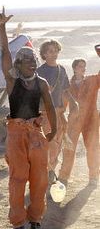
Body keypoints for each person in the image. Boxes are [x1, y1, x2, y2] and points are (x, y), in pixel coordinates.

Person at [0, 7, 57, 229]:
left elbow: (50, 107)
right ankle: (19, 221)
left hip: (36, 133)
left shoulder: (41, 82)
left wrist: (54, 131)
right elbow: (4, 54)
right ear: (18, 64)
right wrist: (2, 27)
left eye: (33, 60)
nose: (31, 63)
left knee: (40, 179)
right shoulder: (12, 82)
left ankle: (36, 218)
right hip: (16, 134)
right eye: (26, 61)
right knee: (18, 178)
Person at [58, 58, 100, 187]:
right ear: (75, 68)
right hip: (74, 121)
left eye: (85, 66)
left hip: (91, 120)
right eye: (81, 66)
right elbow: (63, 105)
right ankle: (64, 177)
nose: (84, 68)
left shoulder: (92, 80)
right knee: (69, 148)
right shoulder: (68, 85)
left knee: (93, 148)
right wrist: (61, 120)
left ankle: (93, 177)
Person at [36, 39, 74, 181]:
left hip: (58, 113)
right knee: (49, 145)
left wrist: (72, 103)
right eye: (50, 51)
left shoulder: (61, 69)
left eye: (56, 50)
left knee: (57, 145)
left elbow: (65, 90)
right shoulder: (39, 72)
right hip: (45, 114)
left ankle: (50, 172)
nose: (54, 54)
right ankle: (46, 174)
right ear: (44, 54)